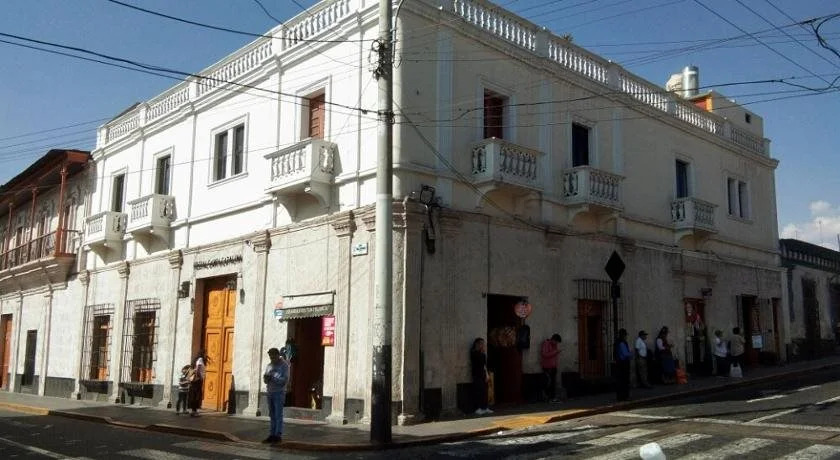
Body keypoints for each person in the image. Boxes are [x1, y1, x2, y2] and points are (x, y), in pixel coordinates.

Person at [262, 347, 290, 444]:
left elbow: (284, 381)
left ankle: (278, 435)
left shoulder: (284, 366)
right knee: (272, 415)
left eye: (273, 357)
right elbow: (265, 381)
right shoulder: (269, 366)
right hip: (270, 392)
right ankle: (271, 435)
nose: (272, 359)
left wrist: (273, 377)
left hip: (279, 393)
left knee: (278, 415)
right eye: (270, 357)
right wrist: (266, 378)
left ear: (278, 355)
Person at [470, 338, 493, 415]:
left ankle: (485, 407)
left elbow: (484, 365)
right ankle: (478, 408)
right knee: (478, 391)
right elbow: (477, 363)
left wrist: (487, 375)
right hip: (477, 374)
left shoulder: (483, 354)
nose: (483, 345)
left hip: (483, 374)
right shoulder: (473, 352)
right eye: (481, 343)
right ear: (477, 344)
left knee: (485, 391)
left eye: (483, 344)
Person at [540, 333, 562, 402]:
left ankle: (552, 398)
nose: (557, 343)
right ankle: (549, 397)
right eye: (556, 341)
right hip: (548, 367)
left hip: (553, 367)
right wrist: (555, 352)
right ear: (553, 339)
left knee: (553, 383)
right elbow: (544, 354)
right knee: (549, 383)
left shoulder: (554, 345)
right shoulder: (546, 344)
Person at [188, 350, 208, 416]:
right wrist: (200, 377)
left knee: (195, 395)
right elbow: (198, 369)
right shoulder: (200, 359)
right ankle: (194, 411)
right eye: (205, 353)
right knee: (197, 395)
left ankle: (193, 411)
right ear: (203, 354)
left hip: (195, 380)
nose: (206, 355)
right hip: (197, 380)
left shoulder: (198, 359)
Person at [615, 328, 632, 401]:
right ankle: (624, 396)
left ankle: (620, 396)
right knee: (624, 381)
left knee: (620, 381)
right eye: (625, 335)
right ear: (623, 335)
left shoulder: (617, 342)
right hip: (623, 364)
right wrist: (631, 354)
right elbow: (625, 354)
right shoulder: (622, 343)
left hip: (619, 363)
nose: (626, 337)